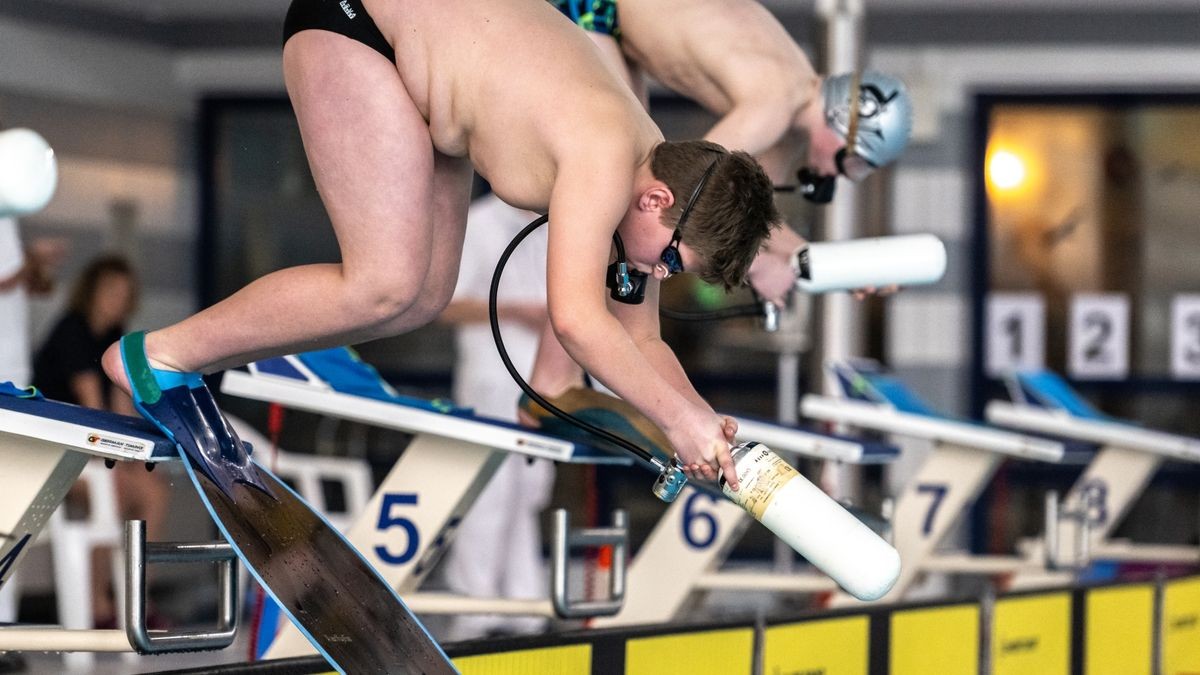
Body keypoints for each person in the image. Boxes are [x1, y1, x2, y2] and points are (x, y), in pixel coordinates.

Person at [100, 0, 781, 489]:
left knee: (422, 295)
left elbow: (643, 340)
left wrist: (702, 423)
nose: (656, 271)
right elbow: (577, 321)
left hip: (430, 83)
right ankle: (156, 355)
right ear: (657, 200)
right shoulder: (606, 152)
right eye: (668, 258)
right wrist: (678, 419)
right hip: (360, 27)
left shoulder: (649, 177)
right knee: (383, 282)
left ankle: (190, 369)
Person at [547, 0, 914, 304]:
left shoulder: (794, 95)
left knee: (627, 190)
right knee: (623, 182)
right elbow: (695, 197)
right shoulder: (775, 104)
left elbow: (756, 223)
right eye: (852, 163)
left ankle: (564, 377)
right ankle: (555, 380)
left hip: (618, 23)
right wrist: (761, 264)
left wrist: (837, 268)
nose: (840, 175)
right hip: (598, 6)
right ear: (841, 123)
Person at [437, 193, 554, 640]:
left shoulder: (551, 226)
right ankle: (473, 607)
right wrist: (513, 310)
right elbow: (445, 305)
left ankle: (522, 603)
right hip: (491, 375)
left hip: (538, 380)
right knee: (489, 491)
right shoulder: (479, 222)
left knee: (526, 492)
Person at [33, 255, 170, 628]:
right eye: (110, 291)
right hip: (54, 452)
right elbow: (94, 407)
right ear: (90, 292)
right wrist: (122, 459)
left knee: (154, 491)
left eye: (124, 294)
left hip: (93, 449)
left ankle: (137, 595)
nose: (117, 301)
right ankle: (97, 605)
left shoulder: (115, 337)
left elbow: (123, 408)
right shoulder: (72, 332)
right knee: (115, 491)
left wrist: (136, 458)